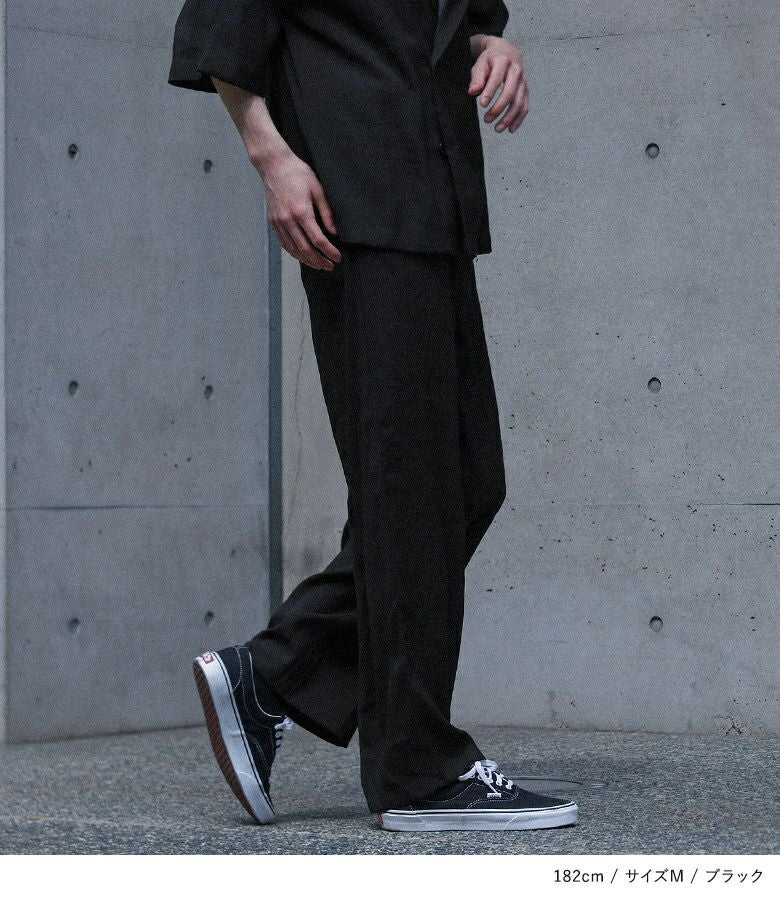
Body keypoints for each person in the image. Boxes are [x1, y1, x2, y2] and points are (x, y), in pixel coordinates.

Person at [169, 0, 578, 832]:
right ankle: (417, 770)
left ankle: (274, 673)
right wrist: (272, 158)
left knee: (465, 480)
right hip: (350, 192)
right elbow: (221, 23)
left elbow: (462, 19)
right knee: (409, 487)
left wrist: (492, 45)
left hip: (433, 192)